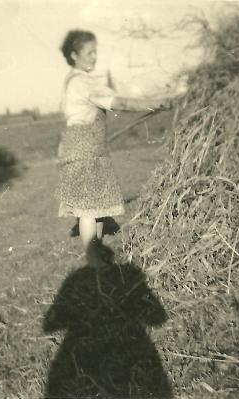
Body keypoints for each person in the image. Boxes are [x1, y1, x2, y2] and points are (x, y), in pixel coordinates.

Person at [55, 29, 182, 267]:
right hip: (84, 148)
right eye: (89, 52)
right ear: (74, 55)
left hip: (88, 145)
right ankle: (93, 259)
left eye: (95, 52)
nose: (94, 57)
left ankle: (97, 250)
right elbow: (120, 102)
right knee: (88, 207)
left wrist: (156, 100)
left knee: (98, 203)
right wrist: (155, 104)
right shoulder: (81, 82)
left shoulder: (76, 80)